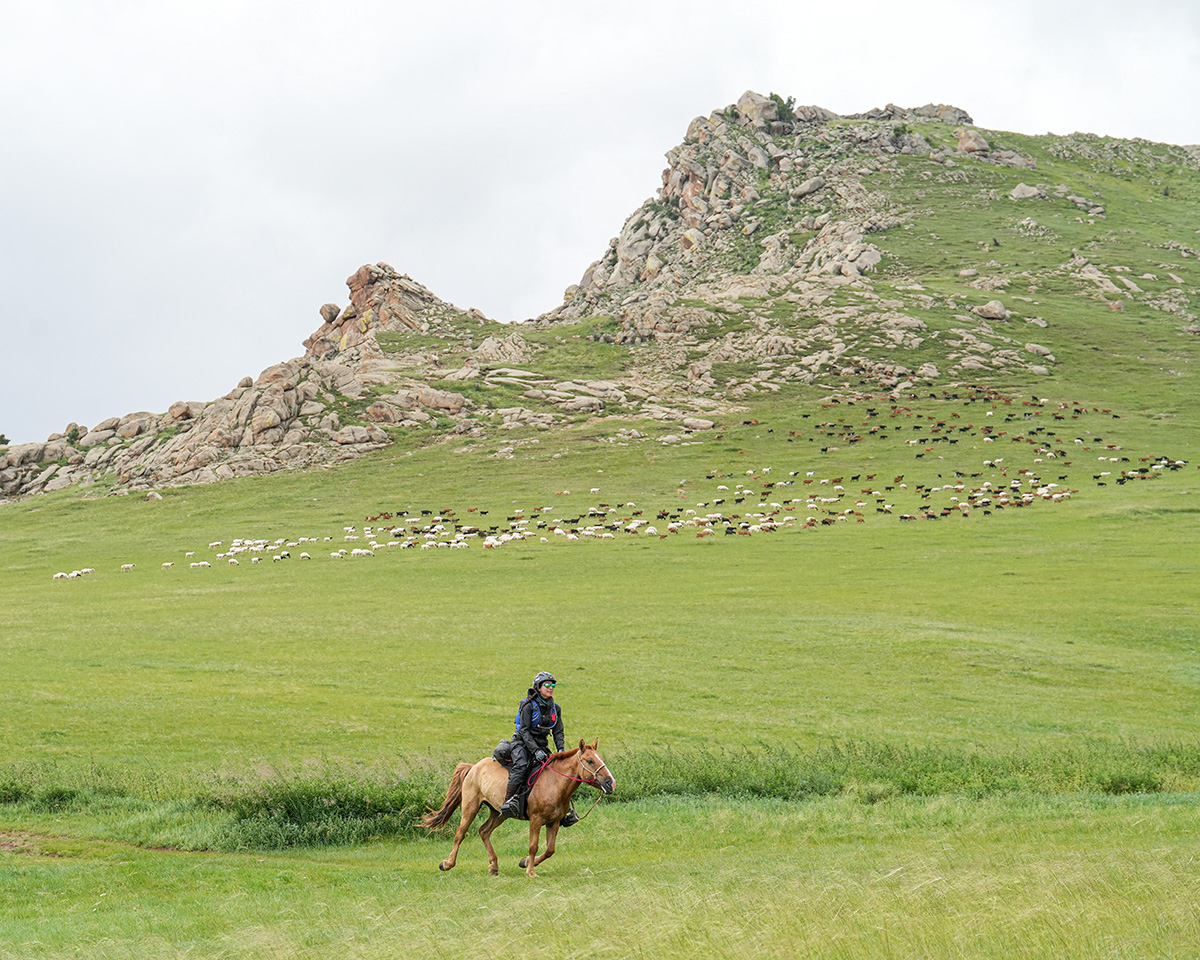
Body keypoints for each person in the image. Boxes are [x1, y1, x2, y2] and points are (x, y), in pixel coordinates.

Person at [500, 671, 579, 826]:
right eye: (547, 685)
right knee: (522, 766)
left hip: (541, 745)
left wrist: (561, 750)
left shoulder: (555, 708)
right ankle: (508, 802)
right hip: (522, 743)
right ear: (538, 687)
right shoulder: (528, 706)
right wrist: (535, 751)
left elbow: (558, 731)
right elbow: (523, 730)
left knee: (558, 773)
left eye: (553, 685)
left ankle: (564, 810)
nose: (551, 688)